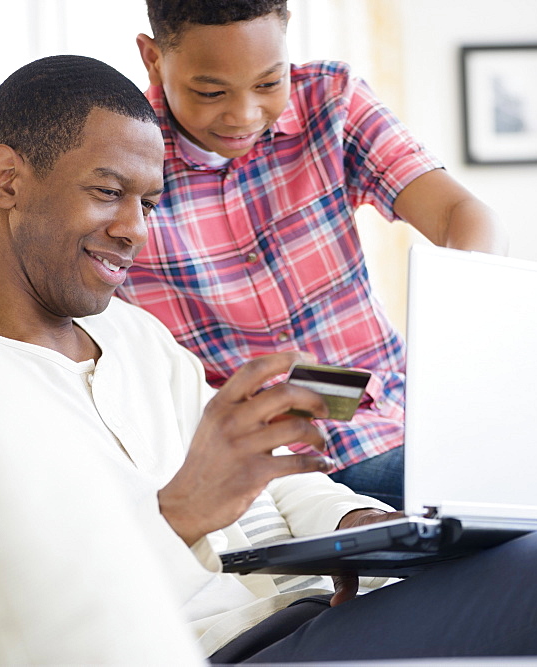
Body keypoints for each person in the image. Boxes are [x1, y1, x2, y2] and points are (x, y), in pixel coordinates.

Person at [0, 53, 537, 661]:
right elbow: (15, 616)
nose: (137, 229)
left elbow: (283, 488)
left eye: (148, 200)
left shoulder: (135, 336)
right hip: (233, 644)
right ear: (6, 180)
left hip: (322, 596)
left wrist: (357, 522)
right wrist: (180, 514)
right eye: (108, 193)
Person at [116, 0, 508, 508]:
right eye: (210, 92)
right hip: (277, 463)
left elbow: (464, 215)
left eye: (268, 83)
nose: (244, 115)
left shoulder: (329, 99)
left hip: (402, 419)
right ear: (152, 59)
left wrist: (463, 320)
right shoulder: (121, 156)